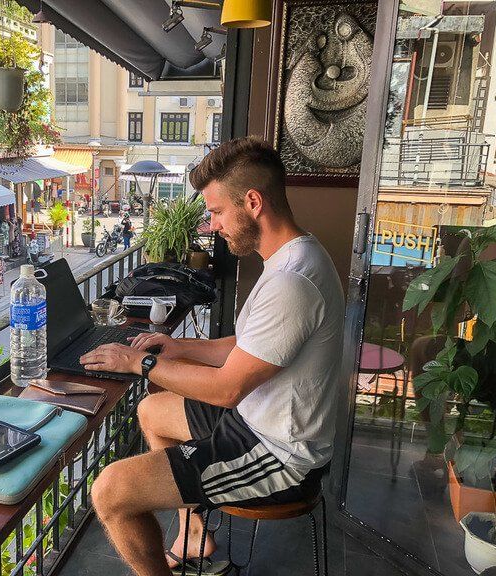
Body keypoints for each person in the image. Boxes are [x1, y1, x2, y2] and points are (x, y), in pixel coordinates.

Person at [79, 137, 345, 576]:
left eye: (218, 211)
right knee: (153, 410)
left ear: (253, 202)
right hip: (256, 418)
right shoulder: (293, 257)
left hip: (278, 453)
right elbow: (248, 347)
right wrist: (180, 347)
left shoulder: (292, 282)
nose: (211, 224)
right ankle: (193, 534)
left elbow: (228, 388)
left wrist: (140, 363)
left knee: (110, 492)